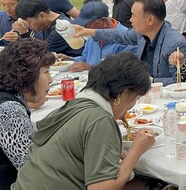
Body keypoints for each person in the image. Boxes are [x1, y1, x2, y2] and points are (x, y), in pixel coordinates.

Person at [13, 52, 155, 190]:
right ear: (121, 93)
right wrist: (136, 150)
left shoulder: (74, 104)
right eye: (136, 98)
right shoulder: (100, 120)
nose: (133, 105)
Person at [74, 0, 186, 85]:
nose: (130, 20)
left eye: (133, 16)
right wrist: (87, 31)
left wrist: (148, 82)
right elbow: (119, 35)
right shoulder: (142, 35)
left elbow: (182, 82)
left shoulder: (175, 43)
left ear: (150, 20)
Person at [0, 39, 54, 189]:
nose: (51, 79)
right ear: (26, 75)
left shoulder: (9, 98)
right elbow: (32, 169)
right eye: (46, 72)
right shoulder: (10, 110)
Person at [58, 1, 137, 72]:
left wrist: (92, 68)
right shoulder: (91, 35)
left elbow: (123, 71)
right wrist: (70, 59)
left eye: (87, 24)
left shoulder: (126, 39)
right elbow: (85, 58)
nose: (84, 27)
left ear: (103, 21)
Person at [15, 0, 84, 57]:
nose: (28, 26)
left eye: (29, 23)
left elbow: (35, 56)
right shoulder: (49, 23)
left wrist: (24, 34)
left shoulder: (59, 29)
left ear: (42, 16)